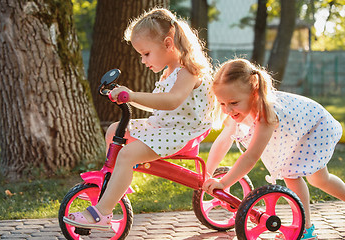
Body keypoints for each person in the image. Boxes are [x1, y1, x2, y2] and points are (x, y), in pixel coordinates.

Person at [63, 7, 214, 230]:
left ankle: (103, 213)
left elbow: (171, 101)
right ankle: (113, 185)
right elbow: (157, 102)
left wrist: (131, 95)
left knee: (127, 155)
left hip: (182, 132)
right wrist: (127, 98)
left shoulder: (187, 71)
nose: (143, 60)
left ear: (168, 43)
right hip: (165, 127)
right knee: (115, 130)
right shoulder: (168, 72)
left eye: (146, 53)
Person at [202, 58, 345, 240]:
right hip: (297, 130)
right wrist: (208, 174)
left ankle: (305, 230)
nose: (228, 110)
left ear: (254, 93)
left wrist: (224, 183)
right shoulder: (236, 110)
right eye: (222, 103)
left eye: (233, 103)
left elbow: (251, 156)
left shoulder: (266, 113)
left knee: (303, 177)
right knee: (308, 177)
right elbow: (223, 140)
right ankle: (304, 227)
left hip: (315, 127)